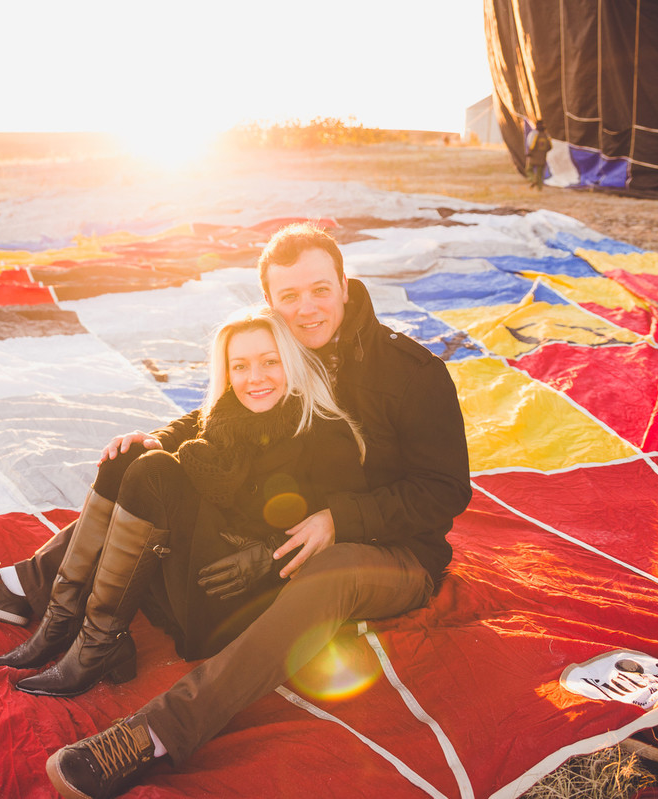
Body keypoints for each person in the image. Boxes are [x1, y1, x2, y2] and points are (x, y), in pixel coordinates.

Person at [41, 223, 472, 799]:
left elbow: (445, 491)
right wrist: (158, 442)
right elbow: (222, 413)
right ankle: (44, 587)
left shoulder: (412, 373)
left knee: (330, 570)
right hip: (290, 531)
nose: (307, 308)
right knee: (156, 477)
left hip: (394, 551)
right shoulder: (282, 348)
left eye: (320, 289)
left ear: (345, 285)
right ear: (271, 302)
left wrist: (342, 519)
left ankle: (155, 732)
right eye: (289, 296)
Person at [0, 305, 367, 698]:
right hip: (193, 567)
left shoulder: (325, 434)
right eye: (241, 366)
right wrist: (154, 438)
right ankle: (67, 623)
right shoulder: (228, 416)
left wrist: (269, 554)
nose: (255, 378)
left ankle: (91, 637)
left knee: (155, 472)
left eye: (270, 362)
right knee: (131, 453)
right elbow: (196, 422)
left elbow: (347, 531)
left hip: (236, 599)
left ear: (291, 361)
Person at [526, 119, 552, 190]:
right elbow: (550, 146)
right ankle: (539, 189)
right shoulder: (546, 136)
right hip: (543, 157)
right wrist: (543, 152)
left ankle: (534, 180)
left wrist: (529, 153)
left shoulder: (535, 135)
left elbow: (532, 145)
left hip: (534, 157)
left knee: (529, 169)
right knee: (540, 173)